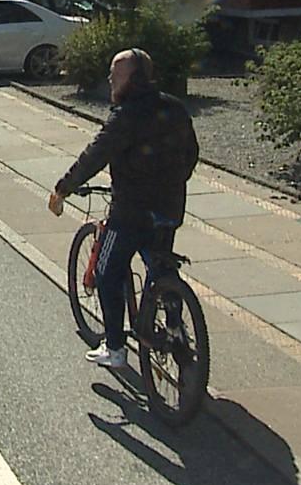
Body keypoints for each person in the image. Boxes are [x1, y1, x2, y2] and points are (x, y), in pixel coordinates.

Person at [48, 48, 200, 368]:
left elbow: (95, 155)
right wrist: (171, 184)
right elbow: (191, 154)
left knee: (107, 273)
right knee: (161, 264)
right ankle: (175, 326)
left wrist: (63, 189)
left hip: (131, 212)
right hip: (170, 208)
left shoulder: (126, 115)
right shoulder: (174, 108)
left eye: (115, 74)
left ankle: (115, 348)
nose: (110, 79)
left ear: (133, 79)